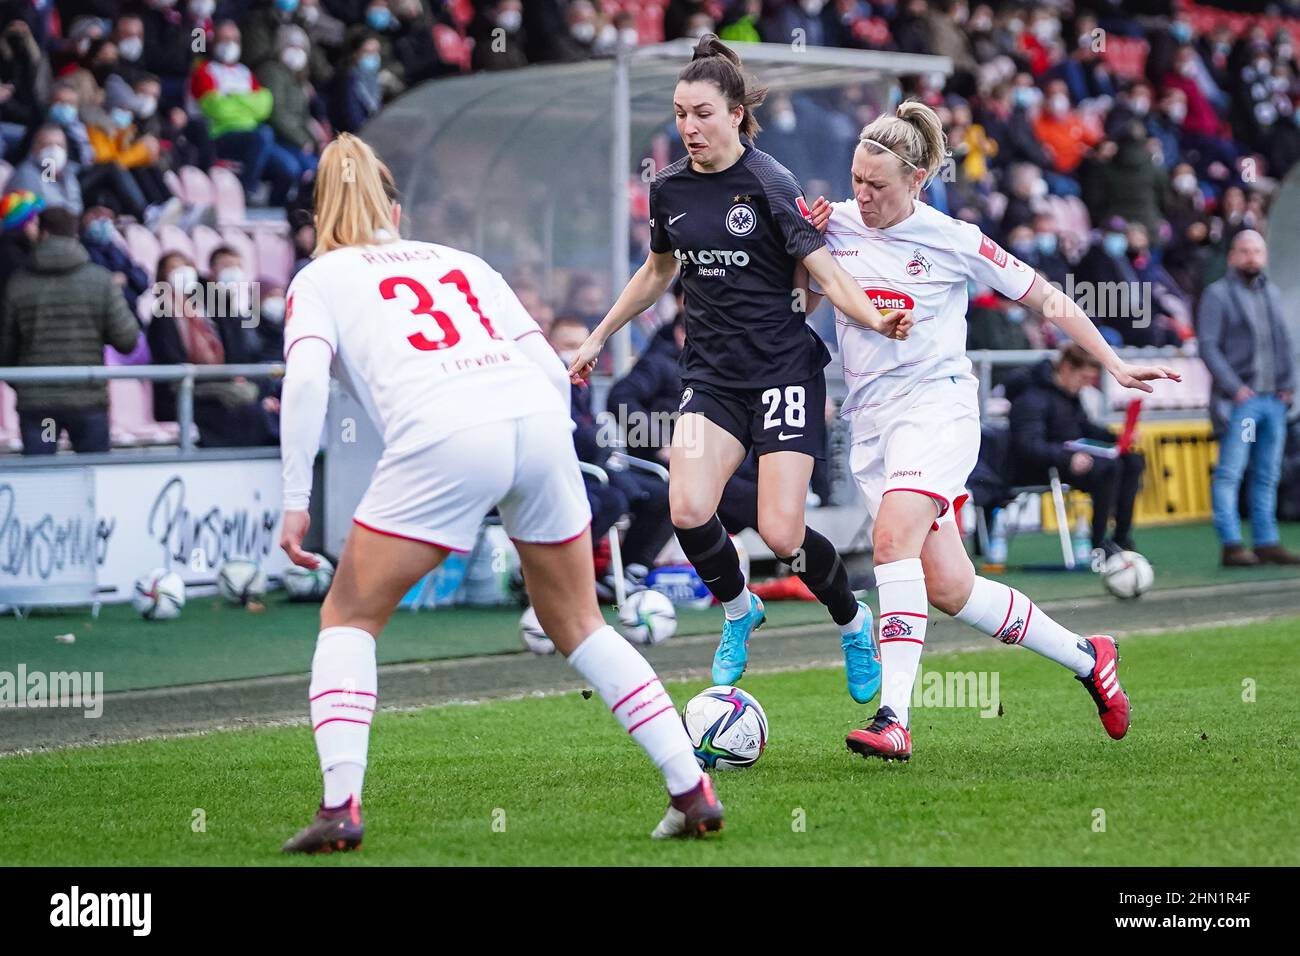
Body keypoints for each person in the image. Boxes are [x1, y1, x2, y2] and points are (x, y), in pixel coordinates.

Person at [277, 133, 722, 852]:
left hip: (446, 430)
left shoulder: (319, 278)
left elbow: (303, 384)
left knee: (350, 617)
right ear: (395, 206)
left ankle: (339, 807)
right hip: (536, 422)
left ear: (319, 215)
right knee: (581, 624)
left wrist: (295, 498)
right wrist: (563, 458)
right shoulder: (462, 261)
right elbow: (548, 368)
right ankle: (691, 789)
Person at [801, 99, 1179, 761]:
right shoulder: (836, 227)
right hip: (873, 426)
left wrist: (1114, 361)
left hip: (938, 411)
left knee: (890, 538)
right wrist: (805, 247)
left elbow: (1046, 297)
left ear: (916, 181)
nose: (862, 195)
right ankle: (1090, 658)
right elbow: (804, 304)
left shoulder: (955, 239)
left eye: (877, 185)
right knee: (949, 587)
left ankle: (895, 717)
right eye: (856, 180)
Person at [568, 35, 912, 704]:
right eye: (678, 114)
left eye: (700, 113)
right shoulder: (668, 188)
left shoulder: (769, 183)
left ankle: (852, 621)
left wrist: (874, 319)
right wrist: (599, 337)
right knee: (688, 506)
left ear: (734, 114)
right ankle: (737, 610)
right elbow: (658, 271)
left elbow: (826, 274)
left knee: (781, 531)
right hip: (712, 378)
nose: (688, 128)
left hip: (784, 374)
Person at [1197, 230, 1300, 567]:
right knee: (1232, 471)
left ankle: (1266, 541)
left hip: (1274, 400)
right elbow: (1208, 346)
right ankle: (1231, 543)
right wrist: (1234, 388)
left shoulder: (1270, 292)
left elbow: (1285, 342)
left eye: (1257, 251)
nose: (1251, 257)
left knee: (1268, 473)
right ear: (1232, 256)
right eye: (1245, 251)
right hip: (1242, 403)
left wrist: (1289, 386)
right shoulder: (1218, 295)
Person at [0, 206, 139, 454]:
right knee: (92, 478)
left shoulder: (18, 284)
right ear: (75, 234)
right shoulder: (101, 280)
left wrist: (23, 385)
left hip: (38, 405)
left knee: (44, 480)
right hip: (87, 401)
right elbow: (127, 340)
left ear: (42, 234)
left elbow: (5, 350)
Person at [1007, 344, 1146, 555]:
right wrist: (1066, 458)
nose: (1086, 385)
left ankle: (1121, 540)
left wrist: (1118, 438)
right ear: (1066, 368)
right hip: (1041, 467)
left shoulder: (1069, 394)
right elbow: (1028, 445)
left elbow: (1083, 427)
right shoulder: (1031, 397)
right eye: (1083, 378)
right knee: (1109, 468)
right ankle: (1098, 544)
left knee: (1133, 460)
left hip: (1069, 459)